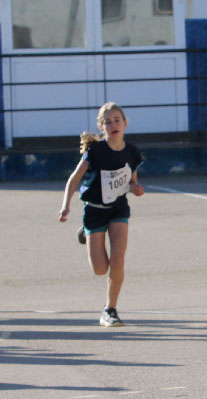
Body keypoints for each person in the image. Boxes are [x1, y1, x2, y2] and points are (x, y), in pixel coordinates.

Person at [58, 103, 144, 327]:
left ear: (125, 124)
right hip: (94, 211)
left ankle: (110, 309)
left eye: (117, 120)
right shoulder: (95, 152)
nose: (113, 125)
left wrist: (136, 189)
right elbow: (74, 179)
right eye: (108, 122)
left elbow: (133, 181)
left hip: (118, 210)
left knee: (118, 261)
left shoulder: (132, 152)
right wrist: (65, 205)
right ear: (101, 126)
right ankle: (86, 233)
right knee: (100, 269)